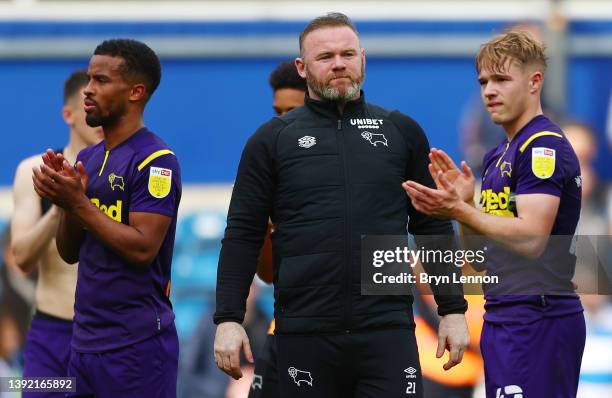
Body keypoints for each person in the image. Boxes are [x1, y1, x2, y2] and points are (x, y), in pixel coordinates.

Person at [214, 13, 469, 398]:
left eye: (348, 54)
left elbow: (430, 226)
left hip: (387, 330)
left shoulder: (401, 132)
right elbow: (242, 235)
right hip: (305, 332)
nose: (339, 64)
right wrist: (229, 319)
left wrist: (452, 310)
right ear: (302, 67)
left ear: (362, 59)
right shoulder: (271, 141)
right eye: (325, 56)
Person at [403, 30, 585, 397]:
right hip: (503, 312)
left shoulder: (541, 148)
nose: (489, 91)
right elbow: (481, 256)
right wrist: (465, 207)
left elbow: (533, 237)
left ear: (535, 82)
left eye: (501, 79)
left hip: (540, 315)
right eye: (484, 81)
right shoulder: (498, 155)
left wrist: (459, 209)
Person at [31, 39, 181, 397]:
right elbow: (69, 253)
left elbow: (144, 248)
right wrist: (65, 201)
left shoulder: (156, 161)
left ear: (135, 92)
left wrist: (78, 204)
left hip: (136, 347)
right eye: (88, 78)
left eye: (100, 80)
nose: (88, 89)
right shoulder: (90, 155)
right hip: (83, 344)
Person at [10, 70, 103, 397]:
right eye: (89, 103)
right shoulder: (35, 171)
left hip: (108, 336)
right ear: (69, 114)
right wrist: (61, 206)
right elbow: (21, 258)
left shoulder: (124, 172)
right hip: (53, 336)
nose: (99, 112)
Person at [249, 60, 307, 398]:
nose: (283, 122)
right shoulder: (269, 175)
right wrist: (267, 226)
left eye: (293, 111)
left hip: (343, 339)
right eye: (278, 111)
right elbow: (269, 274)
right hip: (286, 329)